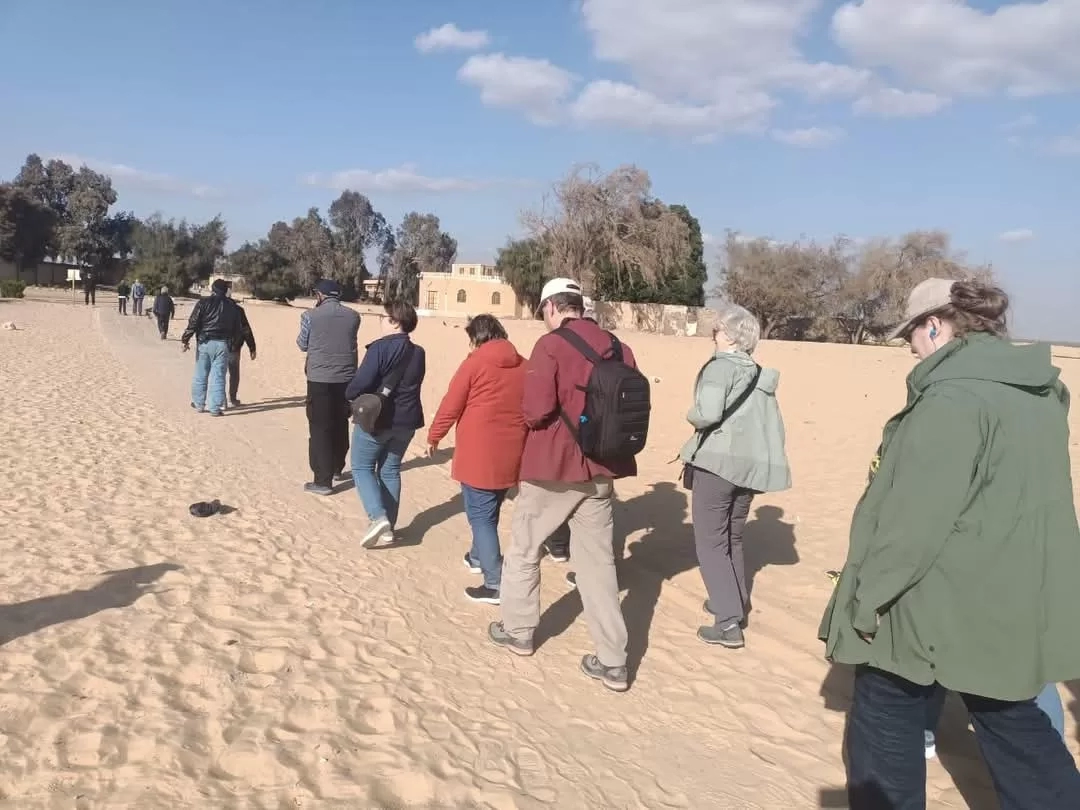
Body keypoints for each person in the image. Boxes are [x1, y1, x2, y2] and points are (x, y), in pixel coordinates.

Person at [818, 278, 1080, 809]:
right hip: (1012, 598)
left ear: (934, 325)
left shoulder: (952, 399)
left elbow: (912, 524)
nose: (910, 349)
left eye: (911, 335)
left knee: (882, 728)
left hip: (932, 609)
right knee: (1017, 728)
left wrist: (866, 603)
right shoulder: (1039, 392)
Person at [489, 278, 646, 693]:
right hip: (603, 468)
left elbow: (537, 410)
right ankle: (613, 661)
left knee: (525, 549)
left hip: (553, 468)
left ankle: (518, 630)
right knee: (598, 566)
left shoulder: (551, 346)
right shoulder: (618, 346)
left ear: (552, 308)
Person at [679, 304, 791, 648]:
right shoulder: (758, 374)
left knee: (710, 542)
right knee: (733, 537)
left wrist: (691, 414)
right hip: (748, 469)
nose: (713, 335)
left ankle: (728, 623)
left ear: (729, 335)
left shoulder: (719, 368)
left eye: (716, 330)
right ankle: (732, 600)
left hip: (717, 465)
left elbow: (707, 413)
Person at [427, 314, 526, 604]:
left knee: (480, 515)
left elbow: (451, 403)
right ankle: (477, 555)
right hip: (512, 450)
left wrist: (435, 435)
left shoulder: (475, 363)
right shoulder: (525, 364)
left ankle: (494, 582)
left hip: (478, 451)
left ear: (477, 337)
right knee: (489, 508)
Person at [345, 300, 426, 546]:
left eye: (383, 316)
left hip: (378, 419)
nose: (380, 320)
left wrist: (349, 395)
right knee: (390, 470)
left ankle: (378, 517)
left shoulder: (380, 349)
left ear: (394, 321)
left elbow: (360, 383)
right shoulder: (419, 352)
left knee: (361, 467)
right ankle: (388, 527)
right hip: (407, 421)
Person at [297, 279, 362, 495]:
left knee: (320, 427)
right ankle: (337, 468)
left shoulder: (309, 316)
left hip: (319, 378)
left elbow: (302, 344)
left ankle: (322, 480)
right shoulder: (354, 316)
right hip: (347, 377)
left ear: (319, 295)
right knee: (340, 422)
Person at [181, 278, 244, 417]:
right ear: (226, 290)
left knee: (200, 374)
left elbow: (193, 322)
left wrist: (185, 339)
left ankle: (199, 404)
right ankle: (215, 408)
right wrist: (233, 344)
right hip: (223, 344)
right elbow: (238, 329)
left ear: (213, 289)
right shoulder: (232, 306)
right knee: (218, 376)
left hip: (204, 342)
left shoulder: (203, 303)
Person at [227, 297, 257, 408]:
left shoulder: (217, 308)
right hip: (234, 346)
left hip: (218, 344)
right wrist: (252, 347)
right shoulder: (238, 310)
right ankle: (232, 398)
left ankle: (219, 399)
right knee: (234, 374)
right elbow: (246, 329)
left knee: (218, 374)